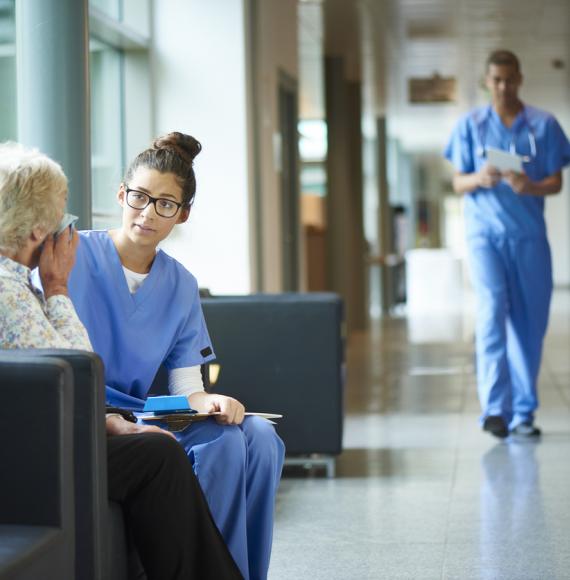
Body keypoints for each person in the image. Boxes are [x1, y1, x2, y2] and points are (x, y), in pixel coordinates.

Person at [0, 142, 242, 580]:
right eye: (59, 219)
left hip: (57, 429)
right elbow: (74, 370)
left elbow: (65, 381)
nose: (64, 229)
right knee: (158, 454)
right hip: (34, 446)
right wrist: (56, 287)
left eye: (165, 203)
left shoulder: (177, 283)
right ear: (37, 230)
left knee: (227, 442)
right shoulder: (13, 291)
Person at [66, 132, 285, 580]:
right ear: (120, 193)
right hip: (97, 416)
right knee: (225, 446)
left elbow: (187, 387)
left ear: (182, 214)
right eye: (139, 197)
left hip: (149, 415)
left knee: (260, 437)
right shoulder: (73, 255)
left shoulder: (180, 283)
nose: (147, 213)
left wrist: (212, 402)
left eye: (165, 204)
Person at [444, 50, 570, 439]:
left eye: (510, 79)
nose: (503, 86)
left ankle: (523, 412)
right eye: (496, 80)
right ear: (487, 81)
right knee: (492, 311)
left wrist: (528, 185)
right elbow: (457, 181)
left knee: (529, 326)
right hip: (485, 236)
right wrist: (478, 178)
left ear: (520, 79)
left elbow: (556, 182)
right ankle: (494, 410)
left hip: (529, 238)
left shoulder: (544, 124)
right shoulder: (471, 125)